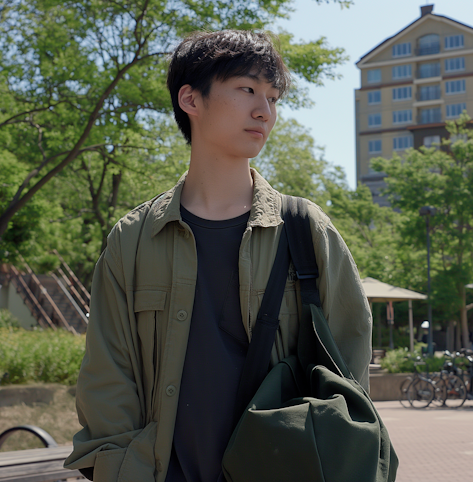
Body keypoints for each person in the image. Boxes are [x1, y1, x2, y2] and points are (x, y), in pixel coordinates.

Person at [64, 30, 372, 482]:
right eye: (247, 89)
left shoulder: (306, 229)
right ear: (191, 99)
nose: (264, 110)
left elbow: (349, 364)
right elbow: (106, 379)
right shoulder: (132, 240)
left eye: (272, 96)